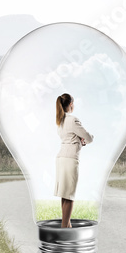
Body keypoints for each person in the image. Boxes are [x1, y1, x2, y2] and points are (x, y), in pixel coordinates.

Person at [55, 93, 94, 228]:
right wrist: (85, 139)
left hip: (61, 159)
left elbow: (70, 136)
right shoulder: (73, 120)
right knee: (70, 196)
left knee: (64, 194)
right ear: (71, 104)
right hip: (70, 159)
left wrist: (79, 139)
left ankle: (68, 225)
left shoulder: (60, 121)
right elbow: (88, 137)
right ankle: (64, 229)